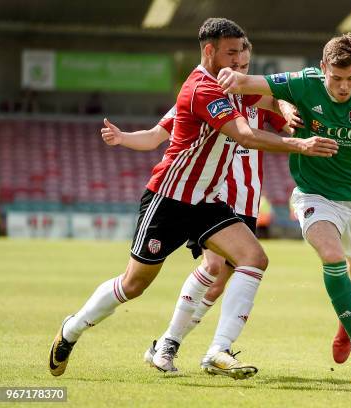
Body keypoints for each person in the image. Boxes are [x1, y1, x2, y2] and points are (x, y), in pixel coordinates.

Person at [49, 17, 338, 379]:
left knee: (254, 258)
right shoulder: (201, 89)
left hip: (207, 202)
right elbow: (244, 136)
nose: (238, 64)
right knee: (133, 285)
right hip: (168, 200)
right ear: (209, 51)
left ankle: (218, 348)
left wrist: (281, 105)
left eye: (242, 57)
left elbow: (268, 95)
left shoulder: (233, 86)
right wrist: (301, 145)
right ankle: (72, 329)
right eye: (231, 55)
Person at [100, 39, 293, 374]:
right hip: (213, 196)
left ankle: (180, 346)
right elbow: (155, 135)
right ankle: (182, 347)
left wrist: (289, 110)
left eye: (246, 67)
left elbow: (283, 112)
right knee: (214, 267)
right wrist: (123, 138)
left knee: (222, 278)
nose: (240, 72)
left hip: (247, 200)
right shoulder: (203, 97)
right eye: (235, 64)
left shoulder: (255, 100)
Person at [218, 33, 351, 363]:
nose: (343, 86)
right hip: (314, 193)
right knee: (332, 255)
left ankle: (345, 326)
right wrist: (234, 78)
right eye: (336, 78)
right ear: (322, 68)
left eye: (350, 78)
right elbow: (252, 83)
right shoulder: (303, 82)